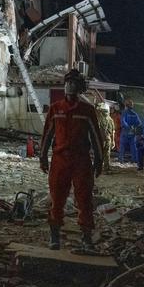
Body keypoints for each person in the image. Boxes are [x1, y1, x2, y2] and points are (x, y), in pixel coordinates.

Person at [39, 70, 104, 251]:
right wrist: (42, 157)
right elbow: (47, 135)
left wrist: (99, 160)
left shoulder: (87, 110)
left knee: (84, 198)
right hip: (60, 159)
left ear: (79, 87)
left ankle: (86, 237)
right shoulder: (55, 109)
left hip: (81, 160)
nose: (69, 85)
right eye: (67, 82)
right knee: (57, 198)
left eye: (73, 82)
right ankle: (54, 236)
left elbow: (96, 137)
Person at [118, 99, 141, 164]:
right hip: (132, 132)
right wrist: (133, 128)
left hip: (125, 132)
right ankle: (134, 160)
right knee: (133, 147)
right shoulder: (135, 114)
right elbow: (139, 123)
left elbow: (123, 122)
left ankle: (121, 160)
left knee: (122, 146)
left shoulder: (124, 113)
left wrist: (127, 127)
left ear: (126, 105)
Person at [96, 102, 115, 173]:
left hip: (101, 139)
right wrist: (113, 141)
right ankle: (106, 168)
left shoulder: (98, 119)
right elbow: (113, 132)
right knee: (107, 154)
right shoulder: (110, 119)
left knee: (99, 154)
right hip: (108, 139)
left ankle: (99, 168)